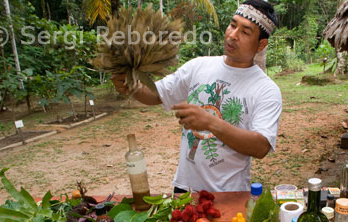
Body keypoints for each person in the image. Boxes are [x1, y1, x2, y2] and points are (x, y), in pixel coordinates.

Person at [112, 0, 282, 193]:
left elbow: (260, 147)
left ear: (261, 44)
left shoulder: (266, 90)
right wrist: (132, 86)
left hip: (229, 194)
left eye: (245, 32)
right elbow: (156, 95)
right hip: (185, 189)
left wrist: (210, 123)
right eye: (232, 25)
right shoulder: (199, 66)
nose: (233, 35)